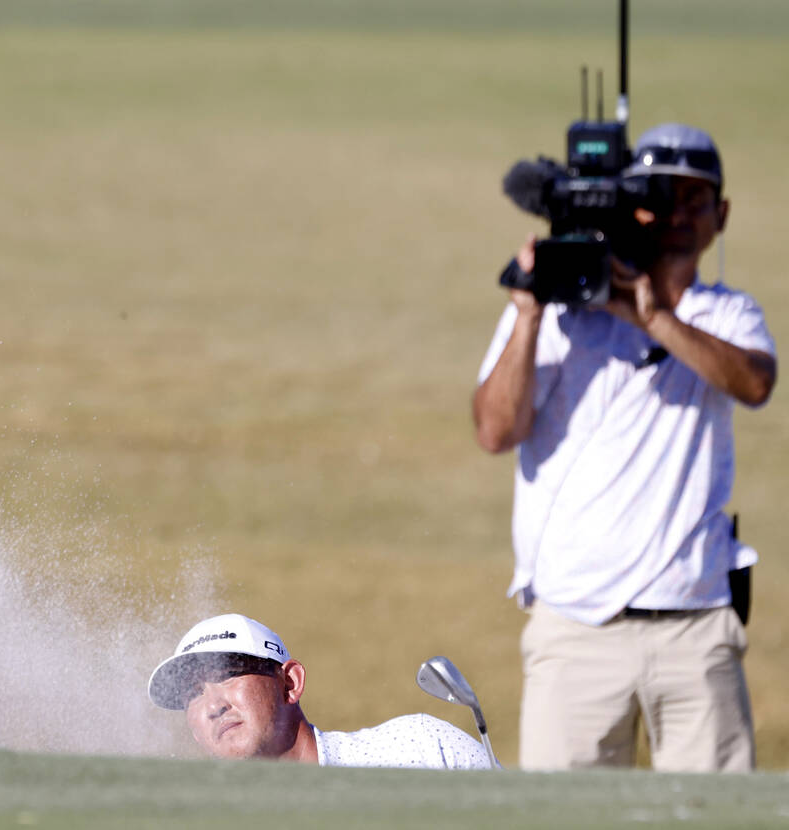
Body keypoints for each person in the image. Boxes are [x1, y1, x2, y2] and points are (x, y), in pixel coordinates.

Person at [473, 123, 777, 772]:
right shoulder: (557, 308)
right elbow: (495, 431)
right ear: (633, 206)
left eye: (696, 199)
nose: (678, 215)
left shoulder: (726, 315)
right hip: (576, 628)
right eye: (662, 198)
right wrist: (528, 313)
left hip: (695, 627)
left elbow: (753, 383)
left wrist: (652, 318)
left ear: (721, 215)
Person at [147, 613, 493, 769]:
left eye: (227, 674)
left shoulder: (420, 748)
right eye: (194, 693)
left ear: (290, 683)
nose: (212, 706)